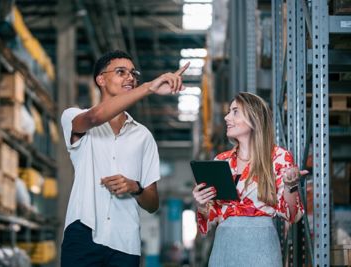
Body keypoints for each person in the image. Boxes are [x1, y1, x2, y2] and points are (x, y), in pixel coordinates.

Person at [60, 50, 189, 267]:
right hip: (83, 232)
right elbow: (95, 117)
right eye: (121, 72)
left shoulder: (143, 137)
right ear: (100, 79)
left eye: (133, 73)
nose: (130, 77)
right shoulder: (74, 117)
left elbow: (152, 203)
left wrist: (134, 187)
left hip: (125, 242)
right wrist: (148, 87)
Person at [192, 92, 307, 267]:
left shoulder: (278, 157)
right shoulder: (221, 161)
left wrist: (291, 186)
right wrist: (201, 205)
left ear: (254, 119)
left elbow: (292, 215)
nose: (227, 117)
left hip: (262, 246)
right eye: (229, 111)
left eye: (235, 111)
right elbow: (212, 217)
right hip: (224, 245)